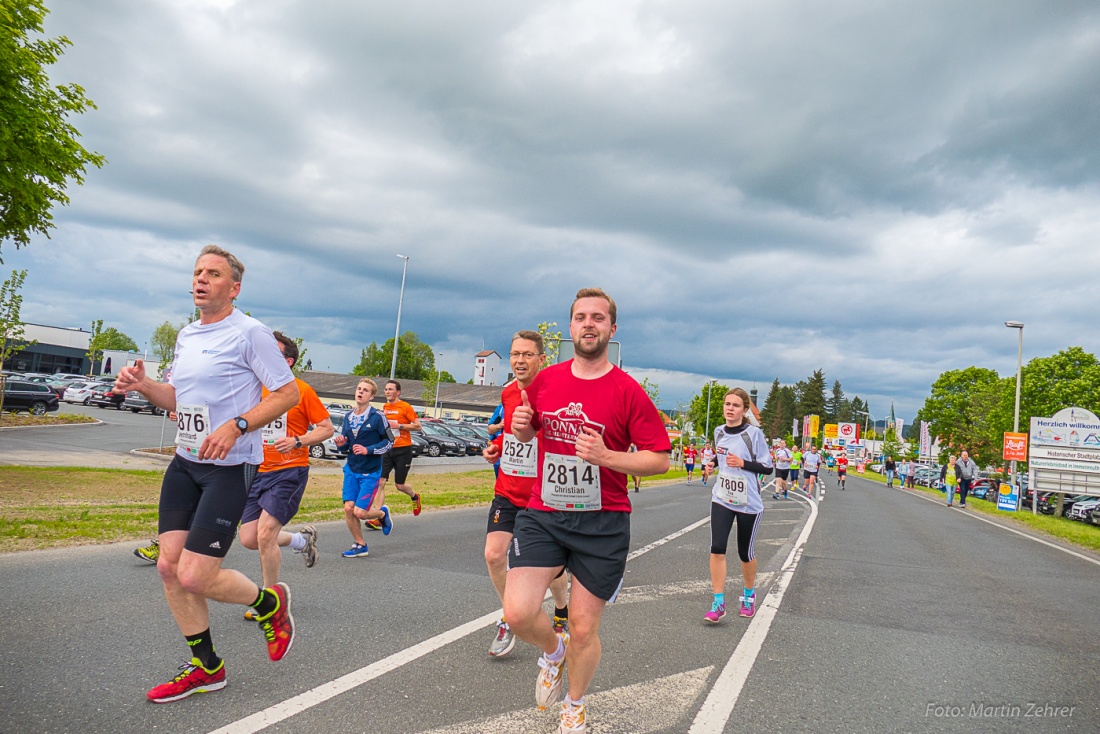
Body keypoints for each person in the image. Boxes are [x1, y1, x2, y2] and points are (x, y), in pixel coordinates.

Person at [114, 245, 300, 703]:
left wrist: (237, 426)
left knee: (196, 576)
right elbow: (177, 397)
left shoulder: (250, 333)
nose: (200, 279)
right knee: (168, 567)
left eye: (212, 274)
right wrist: (143, 386)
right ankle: (207, 666)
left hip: (230, 468)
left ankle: (269, 603)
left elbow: (287, 394)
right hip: (185, 463)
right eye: (197, 272)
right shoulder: (187, 335)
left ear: (233, 288)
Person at [504, 288, 671, 734]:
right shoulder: (547, 380)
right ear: (572, 327)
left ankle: (574, 706)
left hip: (603, 520)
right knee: (518, 613)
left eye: (598, 318)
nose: (588, 324)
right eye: (580, 317)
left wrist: (608, 457)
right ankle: (552, 653)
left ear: (611, 330)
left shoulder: (628, 391)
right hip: (545, 512)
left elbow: (660, 458)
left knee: (582, 627)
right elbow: (529, 433)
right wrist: (522, 429)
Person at [480, 331, 569, 658]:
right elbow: (510, 433)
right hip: (507, 490)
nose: (520, 360)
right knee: (493, 555)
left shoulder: (554, 393)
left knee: (554, 570)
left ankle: (561, 610)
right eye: (515, 354)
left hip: (542, 497)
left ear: (541, 359)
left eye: (528, 354)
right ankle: (510, 617)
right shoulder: (506, 394)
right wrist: (496, 448)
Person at [239, 332, 334, 619]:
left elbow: (326, 428)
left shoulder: (301, 390)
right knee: (248, 538)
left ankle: (271, 602)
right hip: (257, 470)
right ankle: (300, 541)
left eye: (273, 352)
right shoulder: (254, 388)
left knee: (266, 534)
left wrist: (298, 441)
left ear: (288, 361)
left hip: (289, 471)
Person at [700, 388, 773, 623]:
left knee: (745, 552)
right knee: (717, 548)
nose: (729, 409)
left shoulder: (754, 434)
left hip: (748, 502)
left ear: (744, 410)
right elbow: (721, 455)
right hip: (722, 497)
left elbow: (767, 467)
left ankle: (749, 596)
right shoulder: (718, 431)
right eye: (727, 404)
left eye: (735, 405)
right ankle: (718, 603)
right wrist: (712, 464)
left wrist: (743, 463)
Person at [335, 379, 394, 557]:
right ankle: (360, 545)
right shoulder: (348, 417)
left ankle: (382, 515)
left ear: (372, 396)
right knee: (348, 508)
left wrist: (368, 450)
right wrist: (341, 444)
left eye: (365, 390)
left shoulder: (377, 417)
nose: (360, 392)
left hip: (370, 472)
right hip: (351, 469)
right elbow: (346, 446)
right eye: (359, 389)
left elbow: (389, 442)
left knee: (360, 512)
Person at [377, 380, 424, 515]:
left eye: (390, 389)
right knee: (380, 482)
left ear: (398, 392)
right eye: (386, 389)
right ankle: (379, 515)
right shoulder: (385, 407)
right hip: (387, 449)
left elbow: (418, 426)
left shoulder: (405, 407)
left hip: (403, 449)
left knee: (400, 485)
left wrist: (400, 426)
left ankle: (415, 496)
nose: (387, 392)